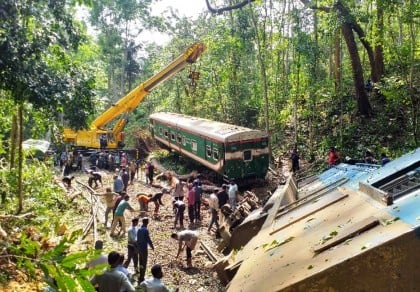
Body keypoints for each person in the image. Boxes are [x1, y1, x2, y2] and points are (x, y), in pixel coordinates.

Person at [137, 217, 154, 283]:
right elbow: (148, 239)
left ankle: (140, 275)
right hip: (144, 248)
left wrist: (137, 248)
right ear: (147, 222)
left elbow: (137, 240)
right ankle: (142, 277)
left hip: (139, 248)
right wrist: (152, 246)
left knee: (140, 262)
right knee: (144, 262)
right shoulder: (145, 230)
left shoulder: (139, 229)